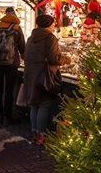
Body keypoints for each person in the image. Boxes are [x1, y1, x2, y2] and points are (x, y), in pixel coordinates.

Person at [22, 14, 69, 143]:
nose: (54, 26)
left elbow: (25, 55)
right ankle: (41, 134)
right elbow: (55, 58)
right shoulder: (50, 37)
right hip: (44, 76)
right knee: (44, 104)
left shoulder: (31, 37)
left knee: (34, 105)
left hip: (31, 74)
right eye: (53, 23)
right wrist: (68, 59)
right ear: (49, 24)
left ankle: (34, 132)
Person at [0, 9, 26, 124]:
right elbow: (22, 46)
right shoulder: (17, 28)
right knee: (9, 90)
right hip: (12, 63)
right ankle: (7, 116)